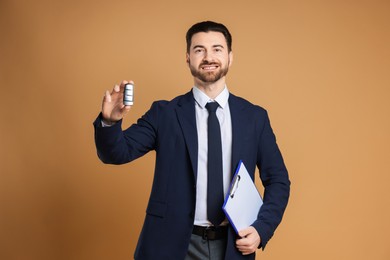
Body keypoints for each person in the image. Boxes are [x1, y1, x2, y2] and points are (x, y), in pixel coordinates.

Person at [93, 21, 290, 260]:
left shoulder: (255, 117)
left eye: (217, 49)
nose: (209, 57)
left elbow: (278, 180)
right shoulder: (164, 114)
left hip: (233, 246)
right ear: (188, 58)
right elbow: (116, 153)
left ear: (230, 56)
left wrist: (262, 229)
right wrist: (109, 121)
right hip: (171, 246)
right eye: (199, 50)